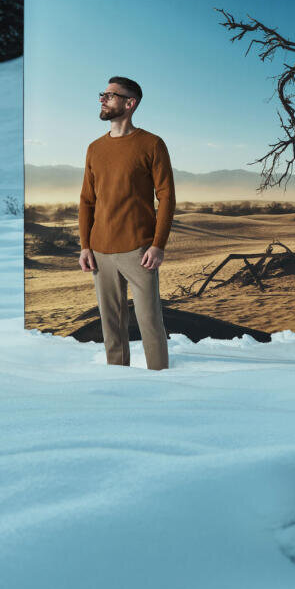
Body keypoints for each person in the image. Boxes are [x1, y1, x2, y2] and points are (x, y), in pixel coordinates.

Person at [78, 76, 175, 369]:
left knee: (150, 324)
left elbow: (167, 197)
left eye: (110, 95)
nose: (102, 99)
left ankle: (163, 386)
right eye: (103, 94)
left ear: (130, 103)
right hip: (99, 252)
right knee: (112, 328)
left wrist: (158, 245)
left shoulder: (152, 144)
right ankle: (117, 388)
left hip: (139, 251)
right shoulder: (94, 148)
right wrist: (85, 246)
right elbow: (86, 201)